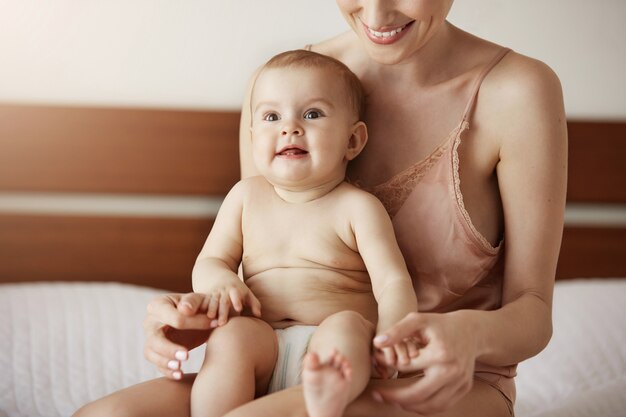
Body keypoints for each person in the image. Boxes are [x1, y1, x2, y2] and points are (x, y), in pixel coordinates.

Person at [74, 1, 567, 416]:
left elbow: (534, 312)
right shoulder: (283, 82)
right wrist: (196, 310)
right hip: (273, 356)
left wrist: (467, 335)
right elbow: (268, 258)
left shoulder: (517, 91)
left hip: (440, 383)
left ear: (354, 139)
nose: (377, 12)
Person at [187, 49, 417, 417]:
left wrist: (390, 338)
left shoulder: (357, 207)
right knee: (230, 339)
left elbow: (392, 283)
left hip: (330, 344)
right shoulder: (246, 197)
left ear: (352, 141)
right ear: (252, 137)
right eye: (272, 116)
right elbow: (210, 260)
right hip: (263, 346)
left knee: (346, 327)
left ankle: (328, 397)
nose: (289, 128)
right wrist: (219, 282)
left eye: (312, 114)